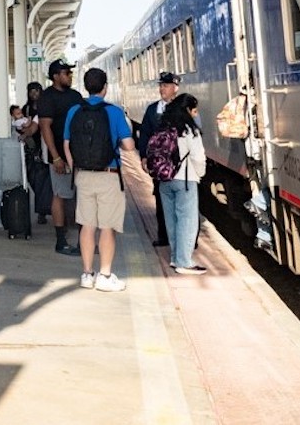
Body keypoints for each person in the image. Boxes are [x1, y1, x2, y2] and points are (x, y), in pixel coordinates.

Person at [64, 67, 138, 292]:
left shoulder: (74, 110)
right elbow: (128, 145)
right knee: (107, 227)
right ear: (105, 88)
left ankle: (87, 274)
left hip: (83, 175)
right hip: (109, 175)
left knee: (87, 225)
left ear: (86, 87)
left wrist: (74, 168)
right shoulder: (114, 112)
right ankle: (105, 275)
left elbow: (67, 144)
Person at [35, 60, 84, 255]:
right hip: (59, 156)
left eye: (70, 73)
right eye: (66, 73)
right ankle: (61, 240)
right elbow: (45, 127)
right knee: (60, 195)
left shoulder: (76, 96)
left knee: (83, 196)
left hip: (79, 155)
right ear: (55, 76)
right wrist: (56, 157)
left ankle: (83, 240)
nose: (69, 76)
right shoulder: (47, 97)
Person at [158, 93, 208, 275]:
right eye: (194, 110)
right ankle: (184, 262)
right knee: (187, 220)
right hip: (185, 180)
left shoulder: (164, 126)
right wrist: (200, 174)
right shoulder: (189, 130)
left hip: (164, 179)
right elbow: (198, 156)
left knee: (171, 220)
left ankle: (175, 257)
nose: (196, 114)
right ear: (187, 110)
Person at [137, 71, 179, 247]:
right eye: (161, 85)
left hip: (179, 162)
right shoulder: (153, 109)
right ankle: (164, 236)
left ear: (175, 88)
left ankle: (188, 239)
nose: (162, 88)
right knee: (161, 200)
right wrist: (144, 156)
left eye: (166, 85)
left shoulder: (181, 108)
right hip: (160, 164)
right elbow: (144, 133)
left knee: (183, 203)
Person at [21, 81, 50, 225]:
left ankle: (42, 211)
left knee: (42, 181)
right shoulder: (26, 109)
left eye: (36, 90)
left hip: (44, 147)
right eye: (31, 91)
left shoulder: (45, 107)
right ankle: (43, 208)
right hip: (31, 148)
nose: (34, 94)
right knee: (33, 179)